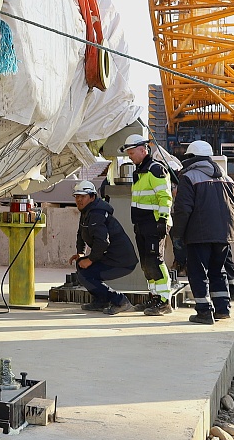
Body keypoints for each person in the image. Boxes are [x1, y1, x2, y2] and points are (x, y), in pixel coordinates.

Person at [170, 139, 234, 325]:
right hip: (223, 233)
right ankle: (223, 309)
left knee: (198, 272)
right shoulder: (226, 177)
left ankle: (204, 312)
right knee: (218, 270)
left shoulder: (189, 177)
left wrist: (178, 234)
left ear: (190, 157)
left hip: (199, 234)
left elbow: (183, 209)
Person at [122, 134, 176, 315]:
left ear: (142, 150)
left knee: (155, 261)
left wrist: (162, 220)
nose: (130, 156)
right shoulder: (140, 171)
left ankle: (164, 301)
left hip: (154, 224)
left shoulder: (155, 170)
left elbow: (165, 197)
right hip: (142, 224)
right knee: (146, 264)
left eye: (131, 153)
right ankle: (154, 297)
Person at [70, 180, 138, 314]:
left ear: (92, 197)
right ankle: (101, 301)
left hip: (121, 261)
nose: (79, 200)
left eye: (82, 196)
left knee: (86, 274)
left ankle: (120, 301)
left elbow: (102, 242)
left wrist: (90, 260)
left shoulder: (97, 214)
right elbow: (81, 233)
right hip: (110, 257)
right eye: (77, 196)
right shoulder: (87, 212)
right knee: (81, 267)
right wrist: (81, 253)